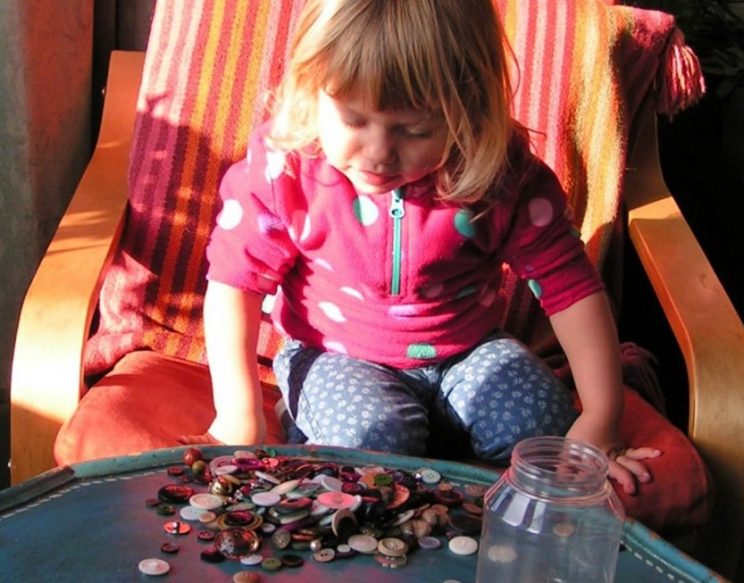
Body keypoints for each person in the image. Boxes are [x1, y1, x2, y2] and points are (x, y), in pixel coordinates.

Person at [191, 0, 660, 494]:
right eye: (353, 119)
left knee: (541, 424)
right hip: (337, 356)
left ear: (469, 111)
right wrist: (238, 415)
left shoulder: (500, 173)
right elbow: (233, 284)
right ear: (312, 89)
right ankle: (312, 414)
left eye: (414, 130)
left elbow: (571, 286)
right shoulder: (284, 169)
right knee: (371, 442)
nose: (378, 152)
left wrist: (603, 420)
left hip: (469, 353)